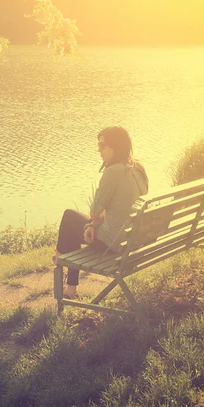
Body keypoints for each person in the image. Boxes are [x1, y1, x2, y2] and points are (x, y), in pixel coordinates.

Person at [53, 126, 148, 300]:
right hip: (134, 238)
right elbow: (121, 207)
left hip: (115, 242)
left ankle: (60, 260)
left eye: (103, 146)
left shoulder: (113, 172)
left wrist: (93, 222)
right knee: (78, 225)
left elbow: (94, 211)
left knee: (69, 217)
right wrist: (94, 223)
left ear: (116, 147)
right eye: (98, 145)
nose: (99, 150)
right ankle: (67, 278)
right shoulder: (137, 168)